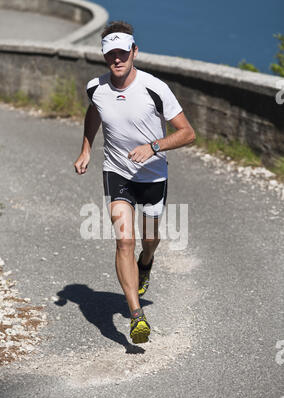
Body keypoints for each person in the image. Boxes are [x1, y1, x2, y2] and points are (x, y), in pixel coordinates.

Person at [74, 21, 195, 344]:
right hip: (116, 172)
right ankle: (137, 315)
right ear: (104, 56)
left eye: (122, 52)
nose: (117, 59)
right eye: (110, 54)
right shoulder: (95, 88)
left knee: (150, 238)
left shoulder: (155, 88)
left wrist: (154, 146)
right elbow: (94, 113)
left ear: (134, 51)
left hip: (153, 174)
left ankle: (147, 261)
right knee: (123, 240)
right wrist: (86, 148)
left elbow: (188, 133)